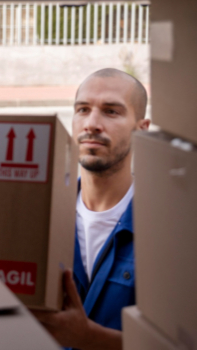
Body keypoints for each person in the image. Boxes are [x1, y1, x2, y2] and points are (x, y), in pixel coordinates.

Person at [33, 68, 150, 349]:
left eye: (111, 112)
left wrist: (90, 339)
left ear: (141, 129)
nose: (92, 123)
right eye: (83, 110)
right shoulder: (42, 216)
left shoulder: (165, 225)